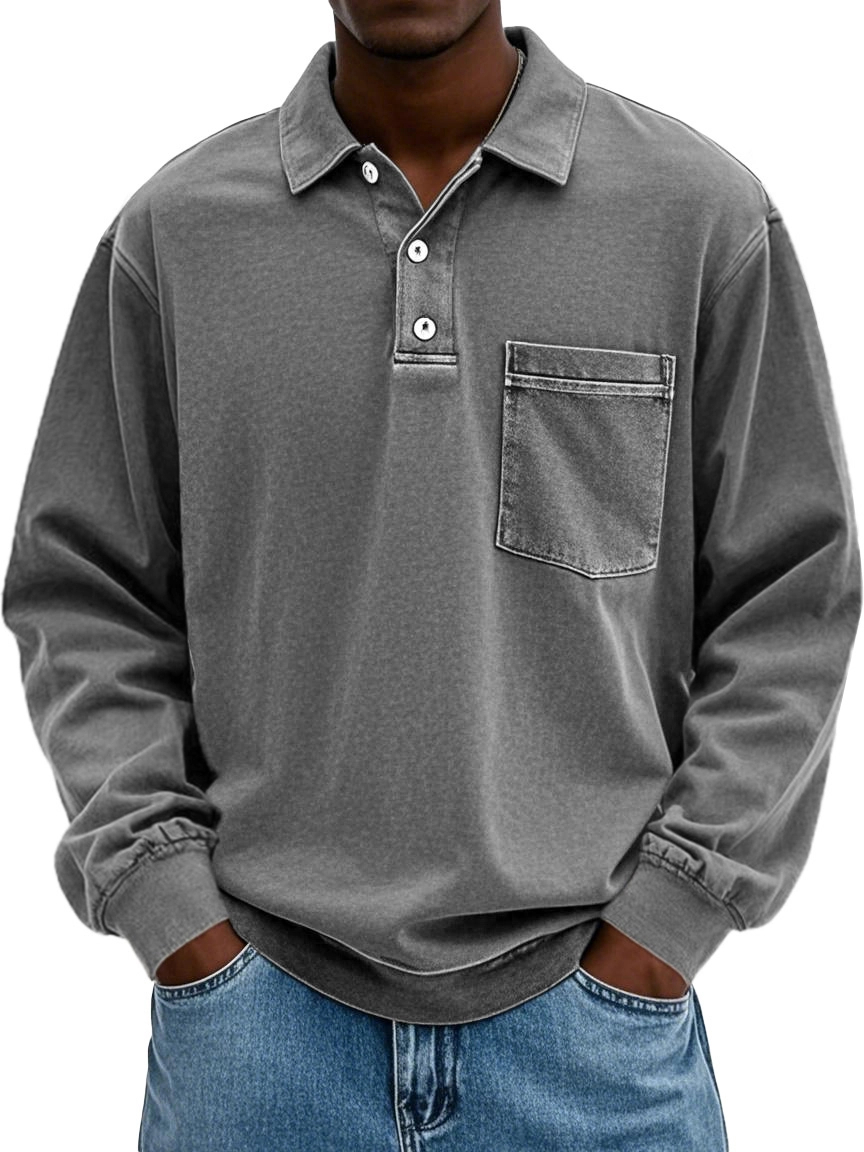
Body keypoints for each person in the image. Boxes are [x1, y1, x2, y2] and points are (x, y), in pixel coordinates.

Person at [3, 2, 860, 1149]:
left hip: (594, 1051)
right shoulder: (175, 238)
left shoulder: (699, 218)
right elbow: (84, 593)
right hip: (257, 1044)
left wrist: (671, 920)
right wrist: (171, 909)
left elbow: (792, 594)